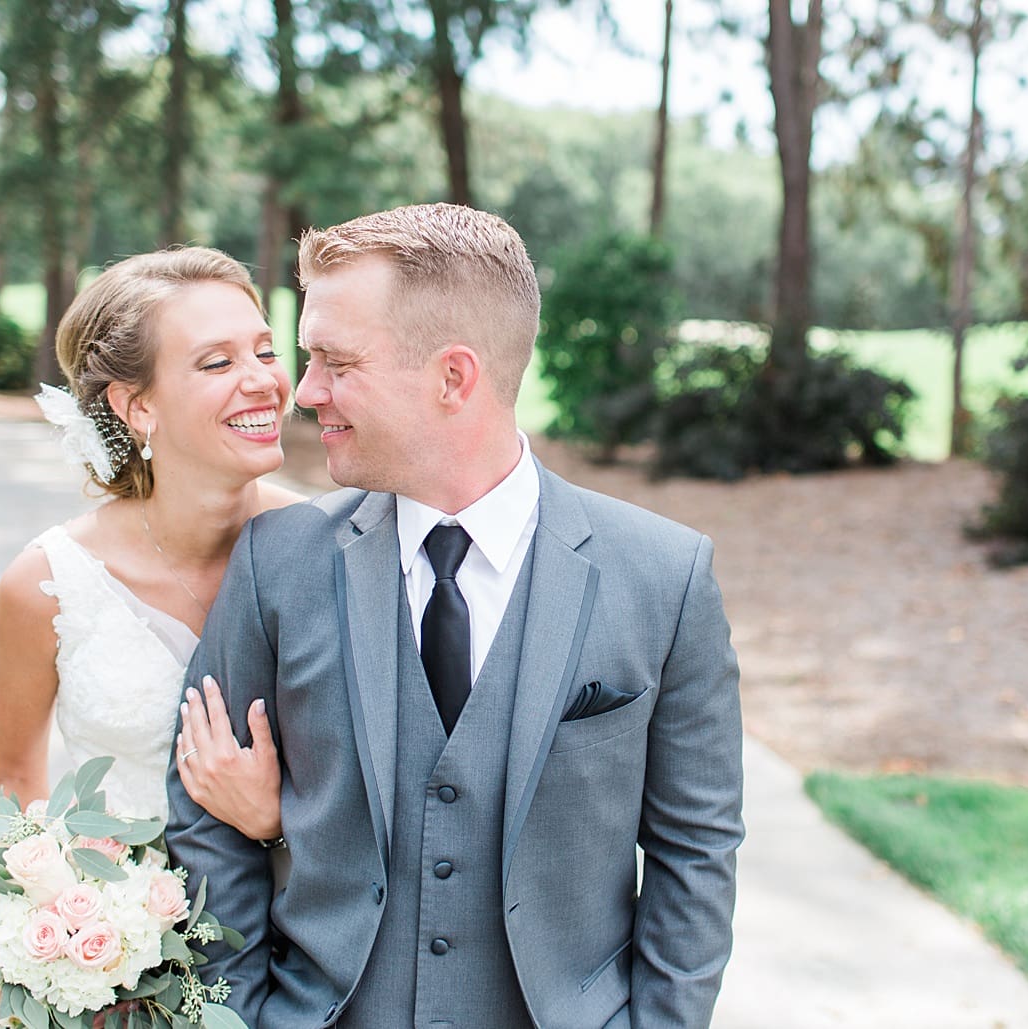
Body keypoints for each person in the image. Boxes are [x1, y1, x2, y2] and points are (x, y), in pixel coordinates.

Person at [166, 204, 745, 1028]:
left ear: (453, 377)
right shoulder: (277, 561)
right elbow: (203, 814)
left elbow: (697, 851)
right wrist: (238, 1014)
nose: (305, 391)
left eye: (335, 361)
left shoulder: (663, 576)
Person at [0, 247, 295, 840]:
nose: (262, 381)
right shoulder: (46, 588)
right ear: (137, 405)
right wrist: (59, 915)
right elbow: (13, 788)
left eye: (264, 351)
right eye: (216, 364)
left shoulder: (337, 547)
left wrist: (274, 824)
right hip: (125, 919)